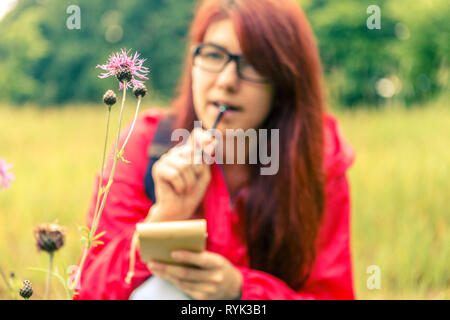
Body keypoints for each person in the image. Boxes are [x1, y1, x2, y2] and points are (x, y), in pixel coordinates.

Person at [75, 0, 356, 300]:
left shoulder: (318, 160)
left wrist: (240, 291)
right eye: (213, 54)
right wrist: (162, 219)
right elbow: (88, 289)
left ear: (283, 80)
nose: (226, 81)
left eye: (253, 63)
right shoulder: (144, 143)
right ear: (193, 62)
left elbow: (333, 293)